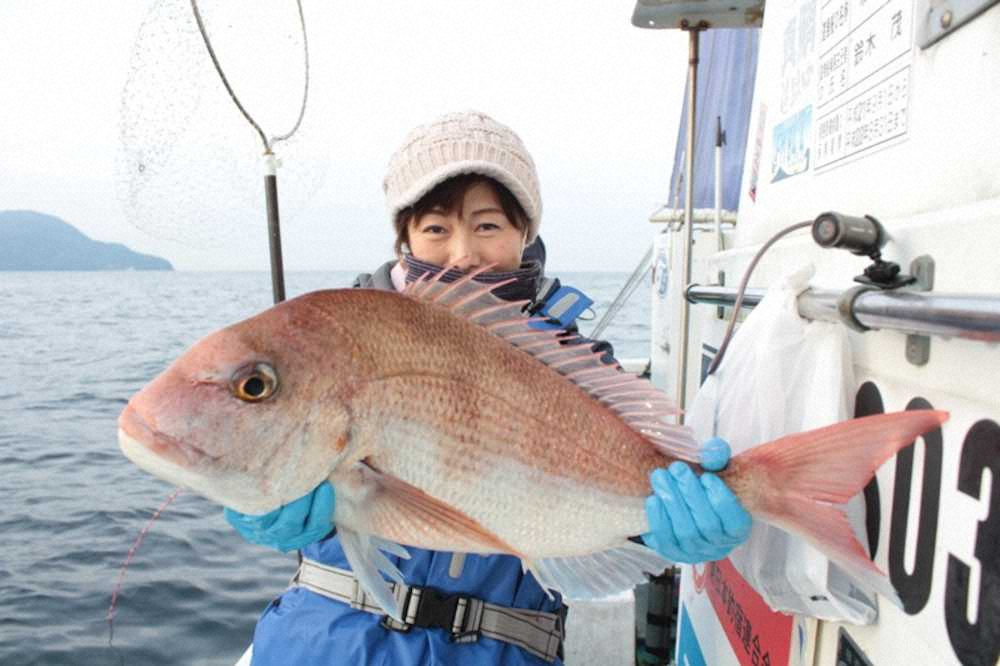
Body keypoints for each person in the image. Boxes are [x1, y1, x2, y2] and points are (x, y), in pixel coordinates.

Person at [226, 111, 752, 665]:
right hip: (326, 640)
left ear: (524, 234)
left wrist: (668, 527)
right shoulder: (338, 345)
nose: (463, 253)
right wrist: (257, 500)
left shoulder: (576, 364)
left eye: (487, 226)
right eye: (435, 228)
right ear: (403, 236)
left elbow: (600, 512)